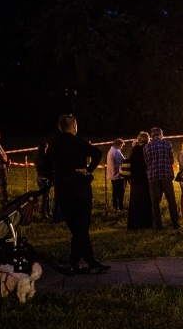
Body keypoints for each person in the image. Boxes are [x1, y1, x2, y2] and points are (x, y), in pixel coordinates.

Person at [44, 114, 109, 275]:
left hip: (62, 189)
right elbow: (97, 153)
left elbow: (47, 164)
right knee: (82, 225)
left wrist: (53, 177)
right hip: (79, 187)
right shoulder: (77, 142)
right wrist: (88, 170)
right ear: (74, 126)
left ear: (60, 127)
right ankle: (74, 262)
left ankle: (91, 261)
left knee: (75, 226)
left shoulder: (54, 144)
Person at [144, 127, 181, 230]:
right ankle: (175, 223)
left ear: (151, 136)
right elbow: (171, 160)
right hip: (165, 175)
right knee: (171, 200)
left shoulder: (146, 147)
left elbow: (147, 162)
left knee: (155, 202)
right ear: (161, 135)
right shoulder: (167, 144)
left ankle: (158, 226)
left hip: (153, 177)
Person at [127, 132, 153, 230]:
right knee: (146, 200)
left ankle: (135, 223)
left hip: (136, 179)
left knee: (135, 201)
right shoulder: (148, 150)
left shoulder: (135, 151)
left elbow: (132, 165)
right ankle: (146, 223)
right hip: (145, 178)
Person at [106, 138, 126, 212]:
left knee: (115, 191)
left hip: (112, 174)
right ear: (118, 144)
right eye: (121, 146)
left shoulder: (110, 151)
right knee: (120, 192)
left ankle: (115, 206)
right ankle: (120, 207)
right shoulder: (116, 152)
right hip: (117, 175)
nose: (122, 147)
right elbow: (123, 160)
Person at [34, 142, 51, 218]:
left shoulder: (37, 158)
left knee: (46, 197)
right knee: (45, 197)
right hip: (44, 178)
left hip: (39, 178)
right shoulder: (44, 159)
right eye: (46, 148)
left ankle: (47, 212)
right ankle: (43, 214)